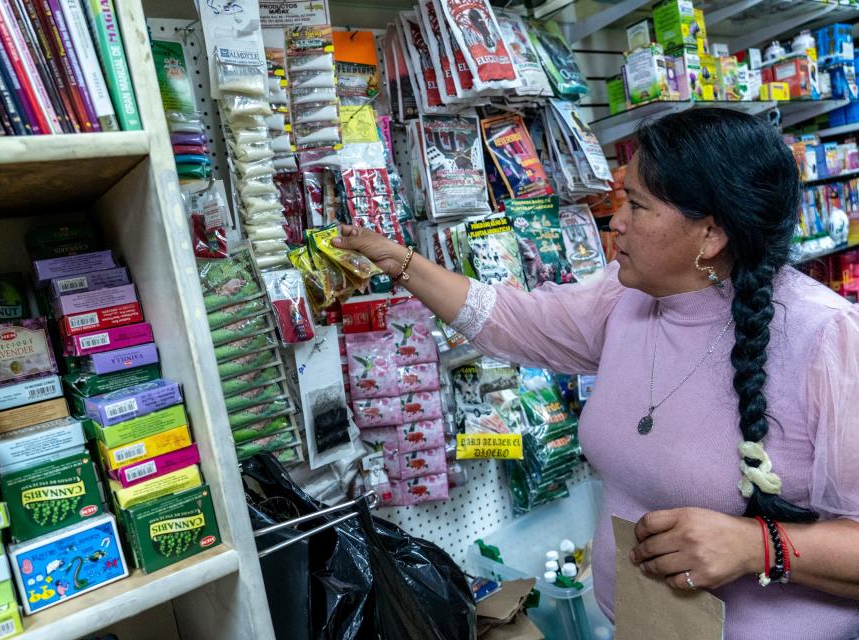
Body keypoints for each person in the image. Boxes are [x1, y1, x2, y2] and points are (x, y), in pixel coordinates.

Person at [332, 108, 859, 639]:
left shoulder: (826, 338)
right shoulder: (627, 298)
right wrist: (397, 260)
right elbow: (513, 321)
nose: (616, 221)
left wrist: (758, 547)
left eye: (636, 204)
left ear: (710, 234)